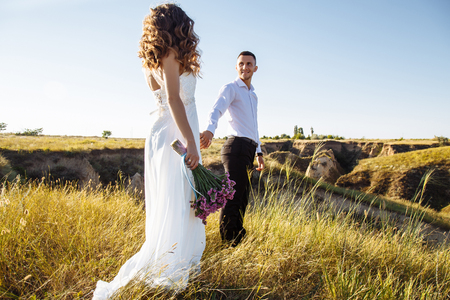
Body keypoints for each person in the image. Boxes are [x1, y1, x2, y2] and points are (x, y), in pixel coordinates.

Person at [92, 4, 205, 299]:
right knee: (179, 200)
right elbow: (172, 99)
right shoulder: (169, 55)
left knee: (174, 200)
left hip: (162, 132)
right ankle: (170, 268)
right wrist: (191, 142)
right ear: (178, 25)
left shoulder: (150, 59)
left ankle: (174, 265)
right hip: (174, 134)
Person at [200, 51, 264, 247]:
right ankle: (228, 243)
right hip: (235, 147)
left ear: (255, 68)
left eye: (249, 64)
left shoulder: (253, 95)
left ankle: (238, 237)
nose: (245, 67)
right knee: (234, 197)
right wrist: (210, 130)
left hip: (249, 149)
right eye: (241, 64)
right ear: (236, 67)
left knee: (243, 197)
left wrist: (259, 152)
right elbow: (216, 108)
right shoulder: (230, 88)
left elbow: (254, 126)